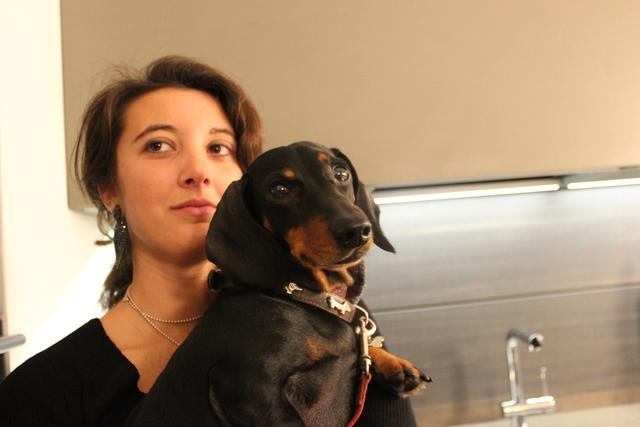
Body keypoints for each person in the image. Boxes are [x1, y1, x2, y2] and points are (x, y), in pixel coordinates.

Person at [0, 56, 417, 426]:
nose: (198, 171)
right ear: (109, 188)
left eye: (218, 147)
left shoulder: (336, 316)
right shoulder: (39, 395)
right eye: (158, 145)